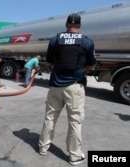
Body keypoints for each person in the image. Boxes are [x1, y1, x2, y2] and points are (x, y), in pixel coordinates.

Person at [38, 13, 96, 166]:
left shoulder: (55, 40)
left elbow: (49, 62)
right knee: (75, 121)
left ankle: (43, 147)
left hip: (56, 85)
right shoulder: (87, 42)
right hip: (74, 87)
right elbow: (91, 65)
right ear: (80, 25)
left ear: (66, 24)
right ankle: (74, 156)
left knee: (50, 117)